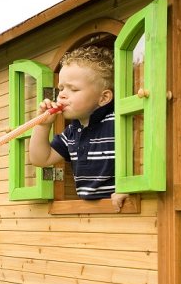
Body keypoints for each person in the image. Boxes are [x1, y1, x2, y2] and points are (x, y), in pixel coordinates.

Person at [29, 46, 127, 210]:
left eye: (73, 89)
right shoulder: (72, 133)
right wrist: (43, 125)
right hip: (89, 212)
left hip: (122, 206)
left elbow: (141, 157)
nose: (62, 95)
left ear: (103, 98)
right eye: (61, 88)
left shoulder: (118, 121)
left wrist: (130, 188)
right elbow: (40, 159)